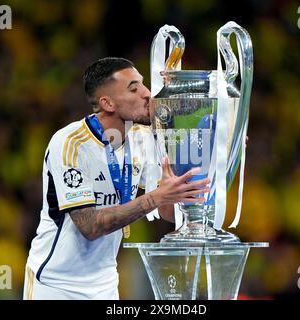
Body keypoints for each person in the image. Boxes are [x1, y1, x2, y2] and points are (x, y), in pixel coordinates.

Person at [23, 57, 211, 300]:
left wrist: (215, 151)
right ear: (107, 103)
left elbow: (167, 212)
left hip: (106, 285)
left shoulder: (143, 139)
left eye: (143, 85)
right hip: (55, 285)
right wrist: (155, 197)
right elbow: (91, 226)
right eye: (134, 88)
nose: (147, 94)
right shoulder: (70, 143)